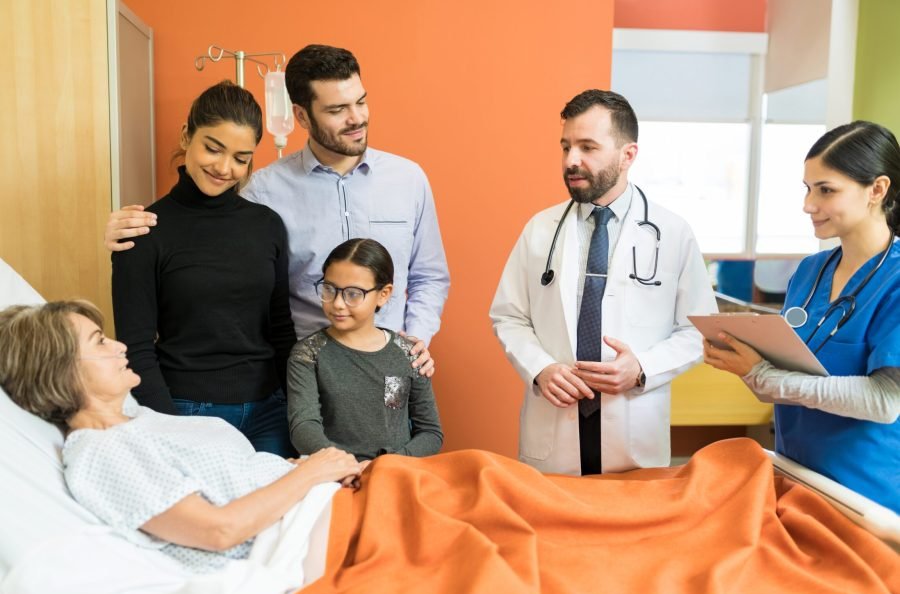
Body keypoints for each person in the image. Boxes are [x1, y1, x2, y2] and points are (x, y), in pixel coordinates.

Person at [103, 44, 448, 374]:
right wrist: (125, 233)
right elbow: (204, 245)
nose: (356, 118)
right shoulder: (265, 192)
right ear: (301, 115)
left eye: (360, 102)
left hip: (392, 368)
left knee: (403, 438)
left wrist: (415, 338)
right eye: (336, 110)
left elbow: (428, 275)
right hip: (305, 377)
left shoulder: (409, 179)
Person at [0, 300, 364, 573]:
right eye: (99, 342)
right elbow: (219, 531)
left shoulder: (137, 418)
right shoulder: (100, 450)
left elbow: (225, 476)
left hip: (320, 498)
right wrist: (309, 473)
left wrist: (297, 469)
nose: (120, 346)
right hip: (299, 535)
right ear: (61, 370)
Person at [490, 89, 717, 476]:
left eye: (587, 147)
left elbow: (698, 330)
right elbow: (509, 316)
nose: (571, 161)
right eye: (566, 147)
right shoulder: (539, 229)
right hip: (554, 427)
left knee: (633, 531)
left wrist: (643, 367)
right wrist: (541, 368)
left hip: (634, 431)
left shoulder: (672, 233)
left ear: (628, 155)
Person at [704, 121, 900, 513]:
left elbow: (884, 402)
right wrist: (745, 365)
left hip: (865, 494)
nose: (808, 205)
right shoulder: (810, 272)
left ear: (877, 190)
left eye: (826, 190)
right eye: (808, 189)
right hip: (795, 476)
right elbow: (780, 384)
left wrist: (764, 375)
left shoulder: (894, 283)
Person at [110, 81, 297, 457]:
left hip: (270, 414)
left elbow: (280, 331)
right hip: (185, 411)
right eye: (213, 148)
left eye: (241, 158)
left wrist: (297, 409)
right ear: (186, 135)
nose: (225, 168)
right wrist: (170, 428)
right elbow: (137, 349)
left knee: (285, 514)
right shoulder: (143, 230)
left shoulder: (267, 226)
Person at [287, 239, 443, 460]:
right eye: (329, 289)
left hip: (395, 473)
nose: (338, 303)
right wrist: (345, 466)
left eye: (353, 293)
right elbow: (304, 427)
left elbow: (430, 433)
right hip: (334, 474)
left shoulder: (408, 354)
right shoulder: (308, 354)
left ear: (384, 293)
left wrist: (387, 465)